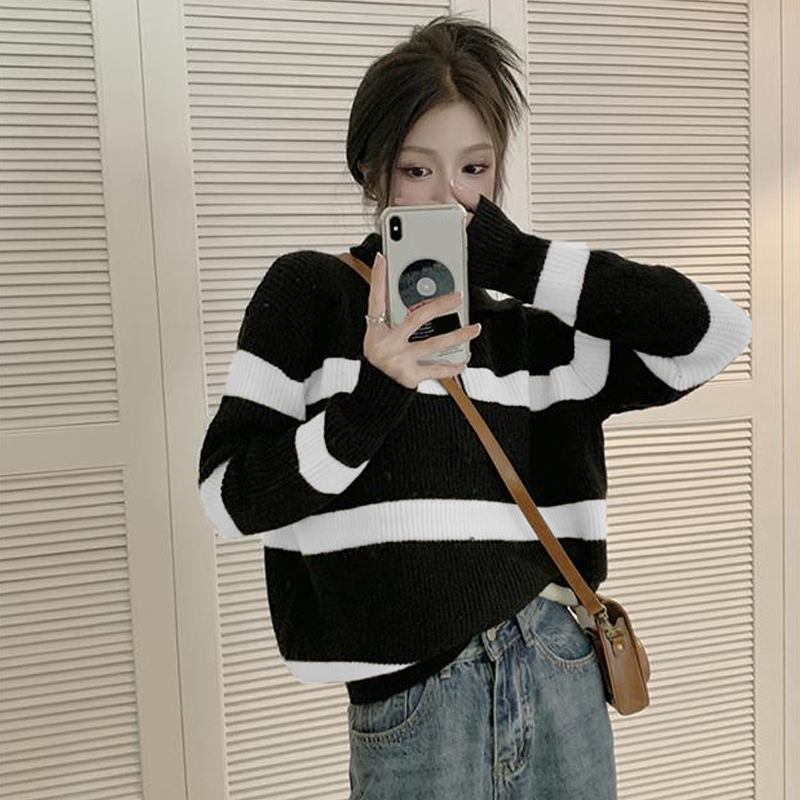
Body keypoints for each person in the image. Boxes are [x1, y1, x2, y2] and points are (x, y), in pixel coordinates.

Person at [197, 13, 753, 800]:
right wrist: (374, 400)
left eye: (474, 168)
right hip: (417, 701)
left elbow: (716, 334)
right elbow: (227, 499)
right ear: (371, 168)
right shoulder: (310, 297)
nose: (449, 197)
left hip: (560, 665)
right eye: (416, 169)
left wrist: (517, 258)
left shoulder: (528, 333)